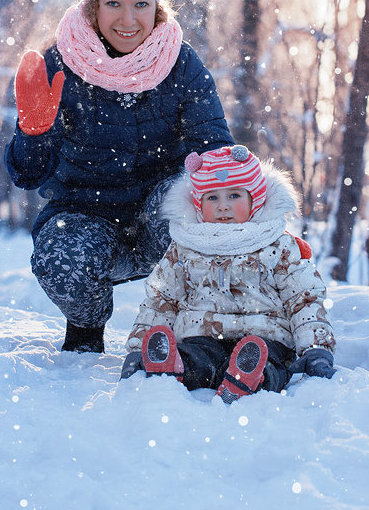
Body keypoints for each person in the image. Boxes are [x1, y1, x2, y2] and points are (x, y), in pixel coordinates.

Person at [5, 0, 233, 353]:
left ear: (157, 7)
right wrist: (33, 134)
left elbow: (216, 154)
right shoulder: (60, 64)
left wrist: (255, 218)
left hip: (158, 219)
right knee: (61, 260)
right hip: (81, 213)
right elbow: (27, 174)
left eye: (141, 3)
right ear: (93, 5)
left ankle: (192, 337)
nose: (128, 18)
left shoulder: (181, 64)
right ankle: (86, 326)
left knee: (203, 201)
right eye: (113, 3)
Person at [119, 144, 336, 402]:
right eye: (212, 197)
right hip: (202, 335)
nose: (223, 206)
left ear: (255, 199)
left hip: (265, 337)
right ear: (198, 205)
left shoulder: (278, 245)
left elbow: (304, 298)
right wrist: (136, 349)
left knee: (272, 361)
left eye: (234, 196)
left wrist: (316, 349)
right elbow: (161, 299)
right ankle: (171, 368)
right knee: (196, 358)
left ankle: (252, 379)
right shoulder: (185, 247)